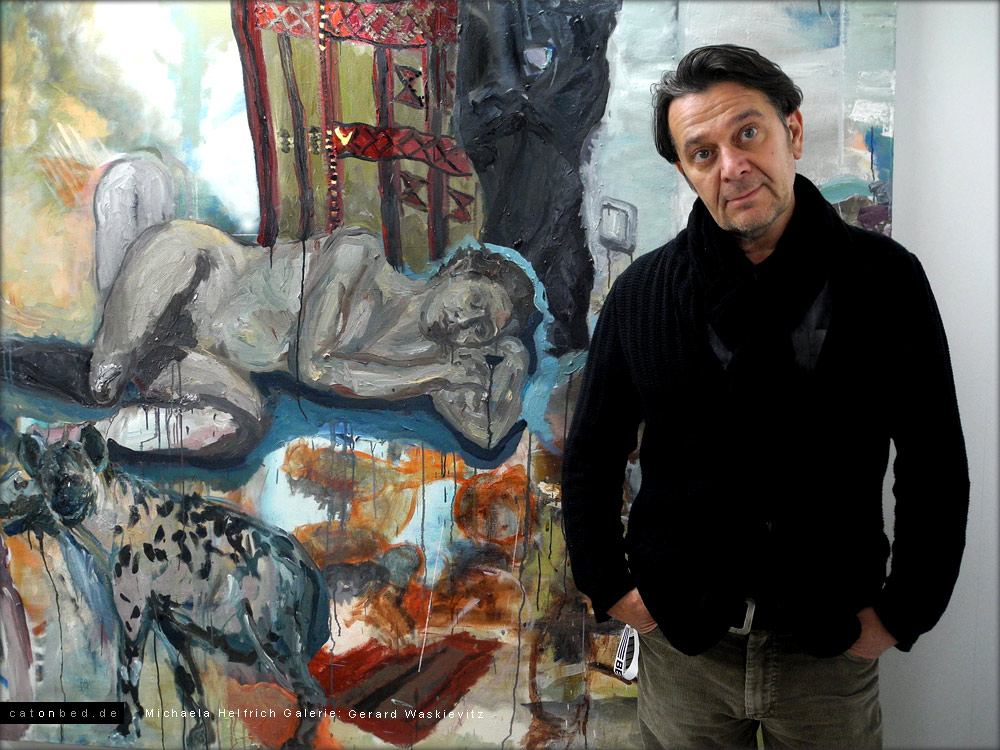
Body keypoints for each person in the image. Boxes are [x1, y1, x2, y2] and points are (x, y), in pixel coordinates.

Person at [561, 44, 969, 749]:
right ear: (686, 171)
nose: (732, 165)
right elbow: (591, 456)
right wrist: (615, 589)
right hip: (684, 648)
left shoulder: (887, 282)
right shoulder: (642, 295)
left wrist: (902, 614)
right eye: (703, 153)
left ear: (793, 131)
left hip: (830, 649)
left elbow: (935, 461)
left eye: (747, 133)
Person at [88, 219, 539, 459]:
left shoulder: (428, 364)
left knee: (240, 425)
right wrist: (437, 375)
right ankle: (103, 372)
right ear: (458, 269)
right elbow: (316, 367)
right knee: (105, 380)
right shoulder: (360, 255)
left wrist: (515, 361)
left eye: (481, 329)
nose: (465, 320)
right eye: (475, 299)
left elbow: (485, 434)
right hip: (191, 270)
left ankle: (85, 438)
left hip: (194, 356)